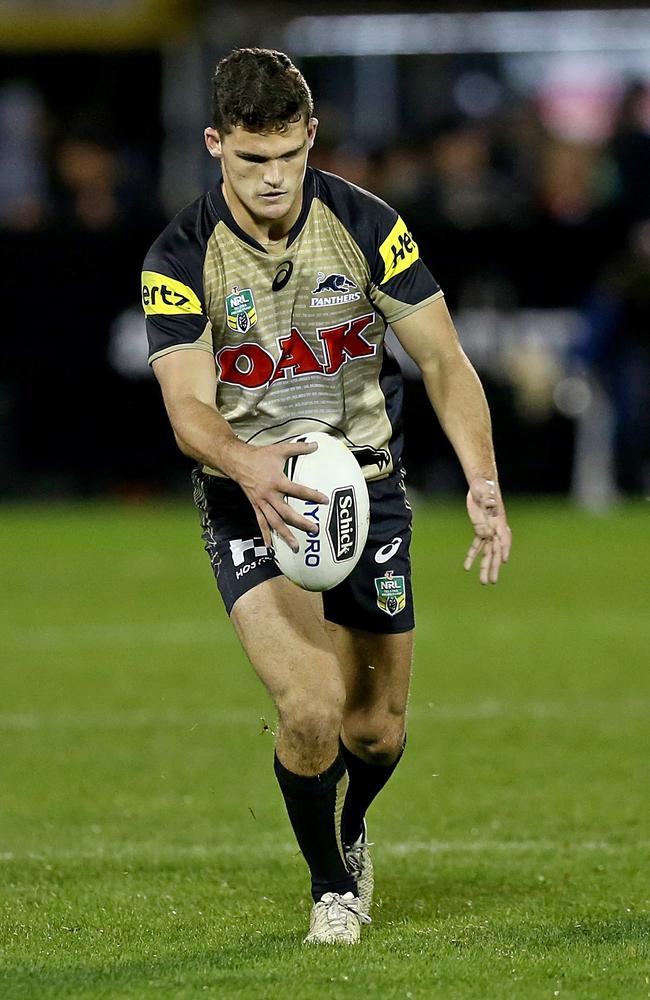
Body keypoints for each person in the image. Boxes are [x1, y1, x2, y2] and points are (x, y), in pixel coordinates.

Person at [142, 47, 511, 945]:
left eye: (287, 158)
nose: (272, 180)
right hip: (247, 495)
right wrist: (248, 466)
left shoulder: (367, 225)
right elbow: (188, 409)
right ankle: (331, 887)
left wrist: (485, 480)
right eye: (249, 160)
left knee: (376, 731)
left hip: (368, 486)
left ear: (311, 137)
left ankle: (351, 826)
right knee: (309, 711)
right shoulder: (181, 255)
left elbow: (443, 362)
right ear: (214, 143)